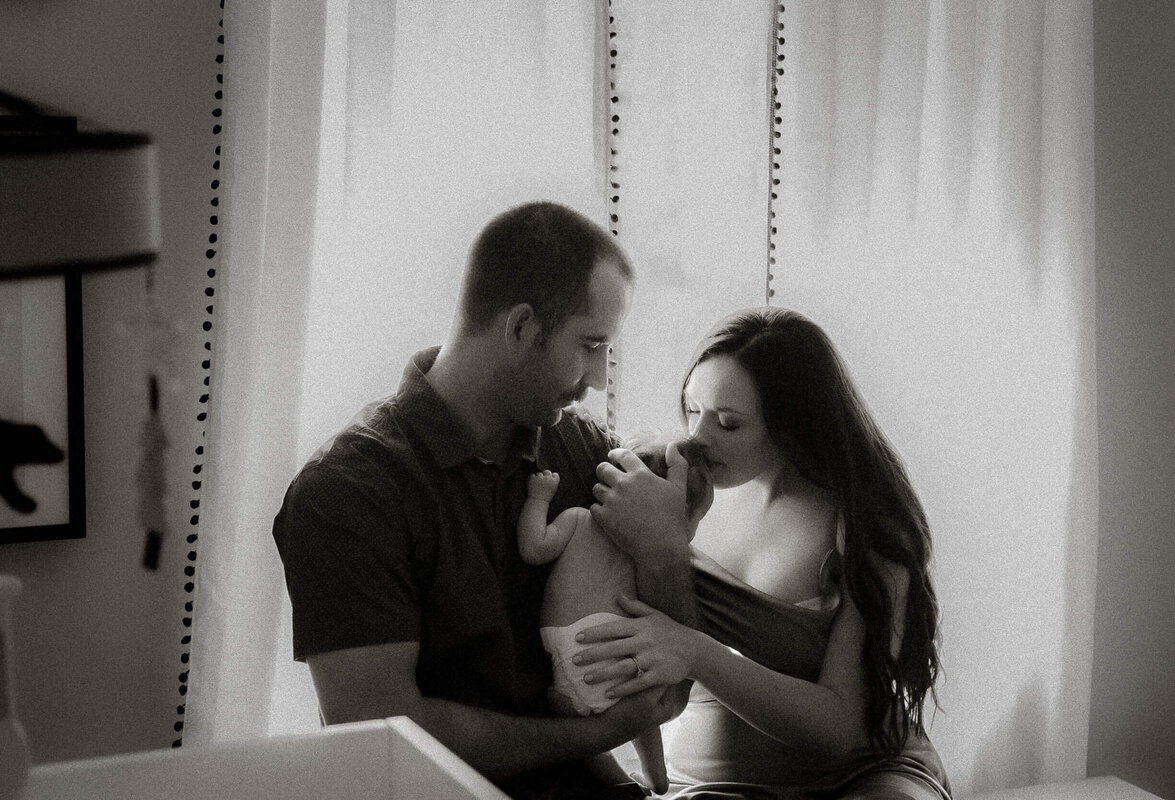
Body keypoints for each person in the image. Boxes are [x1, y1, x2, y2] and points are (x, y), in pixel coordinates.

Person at [271, 201, 697, 800]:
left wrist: (666, 555)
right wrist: (595, 735)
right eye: (591, 344)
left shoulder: (584, 454)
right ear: (521, 326)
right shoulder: (346, 493)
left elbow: (667, 695)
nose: (599, 379)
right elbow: (381, 735)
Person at [576, 307, 953, 799]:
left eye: (729, 423)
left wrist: (695, 652)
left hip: (861, 779)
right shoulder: (671, 491)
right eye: (693, 410)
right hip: (705, 785)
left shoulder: (864, 527)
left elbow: (837, 730)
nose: (698, 437)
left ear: (792, 424)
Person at [519, 437, 713, 795]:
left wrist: (538, 499)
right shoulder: (643, 557)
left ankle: (620, 779)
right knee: (644, 712)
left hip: (568, 656)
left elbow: (533, 548)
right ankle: (656, 777)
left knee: (575, 727)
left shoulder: (578, 519)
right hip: (616, 653)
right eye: (694, 519)